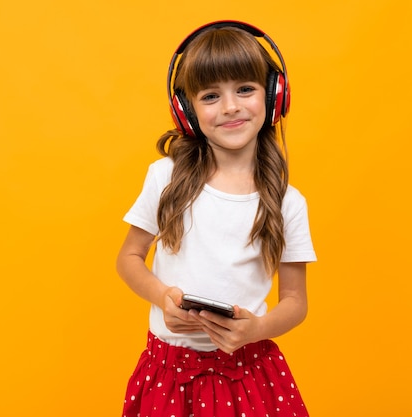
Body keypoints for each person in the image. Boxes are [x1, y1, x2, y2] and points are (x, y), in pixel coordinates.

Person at [116, 20, 317, 417]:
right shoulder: (166, 177)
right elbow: (128, 258)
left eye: (245, 89)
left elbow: (295, 301)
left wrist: (256, 329)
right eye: (211, 96)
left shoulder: (287, 203)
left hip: (249, 376)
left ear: (274, 97)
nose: (230, 107)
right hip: (169, 374)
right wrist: (163, 297)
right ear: (187, 110)